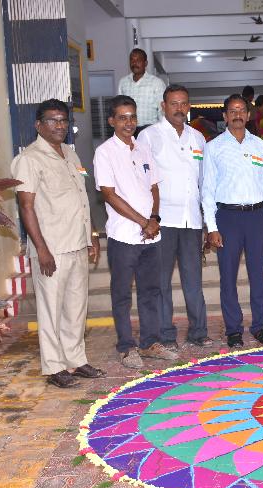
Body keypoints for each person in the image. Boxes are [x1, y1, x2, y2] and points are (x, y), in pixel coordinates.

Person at [13, 99, 105, 388]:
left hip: (76, 241)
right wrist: (40, 248)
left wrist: (91, 236)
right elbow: (26, 207)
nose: (60, 125)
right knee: (51, 309)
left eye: (63, 120)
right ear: (38, 125)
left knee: (76, 307)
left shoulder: (70, 154)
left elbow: (81, 199)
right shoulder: (29, 159)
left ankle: (75, 360)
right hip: (51, 248)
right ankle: (54, 367)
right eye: (53, 120)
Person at [94, 95, 177, 368]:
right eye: (122, 117)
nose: (128, 122)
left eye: (132, 117)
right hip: (123, 237)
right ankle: (126, 346)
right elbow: (109, 194)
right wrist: (143, 222)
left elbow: (154, 187)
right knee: (121, 294)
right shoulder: (104, 152)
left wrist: (154, 219)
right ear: (111, 121)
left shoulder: (143, 148)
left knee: (151, 291)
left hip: (151, 235)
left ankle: (150, 342)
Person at [137, 85, 213, 349]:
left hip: (191, 220)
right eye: (174, 103)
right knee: (161, 283)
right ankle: (165, 335)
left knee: (194, 281)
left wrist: (205, 221)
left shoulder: (198, 138)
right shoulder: (148, 137)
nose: (179, 108)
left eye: (183, 103)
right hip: (163, 222)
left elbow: (203, 181)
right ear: (163, 106)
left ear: (189, 106)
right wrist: (148, 218)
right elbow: (143, 180)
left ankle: (198, 332)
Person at [202, 94, 263, 348]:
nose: (237, 115)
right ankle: (233, 329)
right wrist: (212, 227)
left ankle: (259, 326)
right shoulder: (214, 147)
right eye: (232, 111)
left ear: (248, 115)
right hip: (228, 218)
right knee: (228, 277)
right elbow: (207, 190)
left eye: (241, 110)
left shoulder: (259, 145)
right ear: (225, 116)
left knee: (258, 276)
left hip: (258, 217)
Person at [117, 48, 166, 136]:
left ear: (145, 63)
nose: (134, 63)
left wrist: (163, 131)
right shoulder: (123, 82)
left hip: (150, 130)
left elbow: (162, 110)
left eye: (138, 60)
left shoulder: (156, 83)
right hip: (128, 129)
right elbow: (119, 108)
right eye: (132, 60)